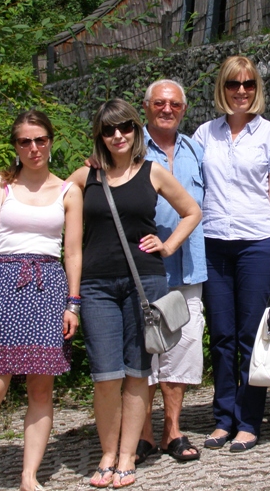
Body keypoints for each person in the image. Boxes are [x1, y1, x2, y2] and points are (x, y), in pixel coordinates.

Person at [75, 99, 202, 488]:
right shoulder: (85, 176)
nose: (118, 135)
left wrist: (168, 245)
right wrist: (1, 181)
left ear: (136, 130)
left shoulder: (152, 172)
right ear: (100, 135)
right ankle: (108, 453)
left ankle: (128, 456)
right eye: (109, 129)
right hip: (96, 286)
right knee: (104, 375)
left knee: (137, 372)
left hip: (143, 283)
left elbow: (192, 211)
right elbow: (42, 190)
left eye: (125, 127)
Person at [0, 110, 83, 491]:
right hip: (0, 288)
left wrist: (73, 304)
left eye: (40, 139)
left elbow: (73, 252)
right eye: (25, 141)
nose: (34, 148)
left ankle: (29, 477)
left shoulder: (68, 191)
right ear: (15, 146)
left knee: (41, 389)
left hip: (48, 290)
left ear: (51, 141)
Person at [195, 55, 270, 452]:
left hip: (258, 242)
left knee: (252, 336)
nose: (241, 91)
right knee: (221, 335)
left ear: (257, 88)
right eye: (233, 84)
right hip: (213, 242)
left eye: (248, 83)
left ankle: (249, 421)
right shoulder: (205, 133)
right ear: (222, 88)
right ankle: (223, 419)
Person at [135, 80, 206, 464]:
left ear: (184, 108)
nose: (167, 109)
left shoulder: (195, 149)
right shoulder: (128, 146)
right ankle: (143, 433)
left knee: (182, 348)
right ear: (146, 106)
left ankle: (172, 430)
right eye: (160, 103)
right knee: (145, 351)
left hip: (189, 267)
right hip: (143, 268)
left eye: (175, 104)